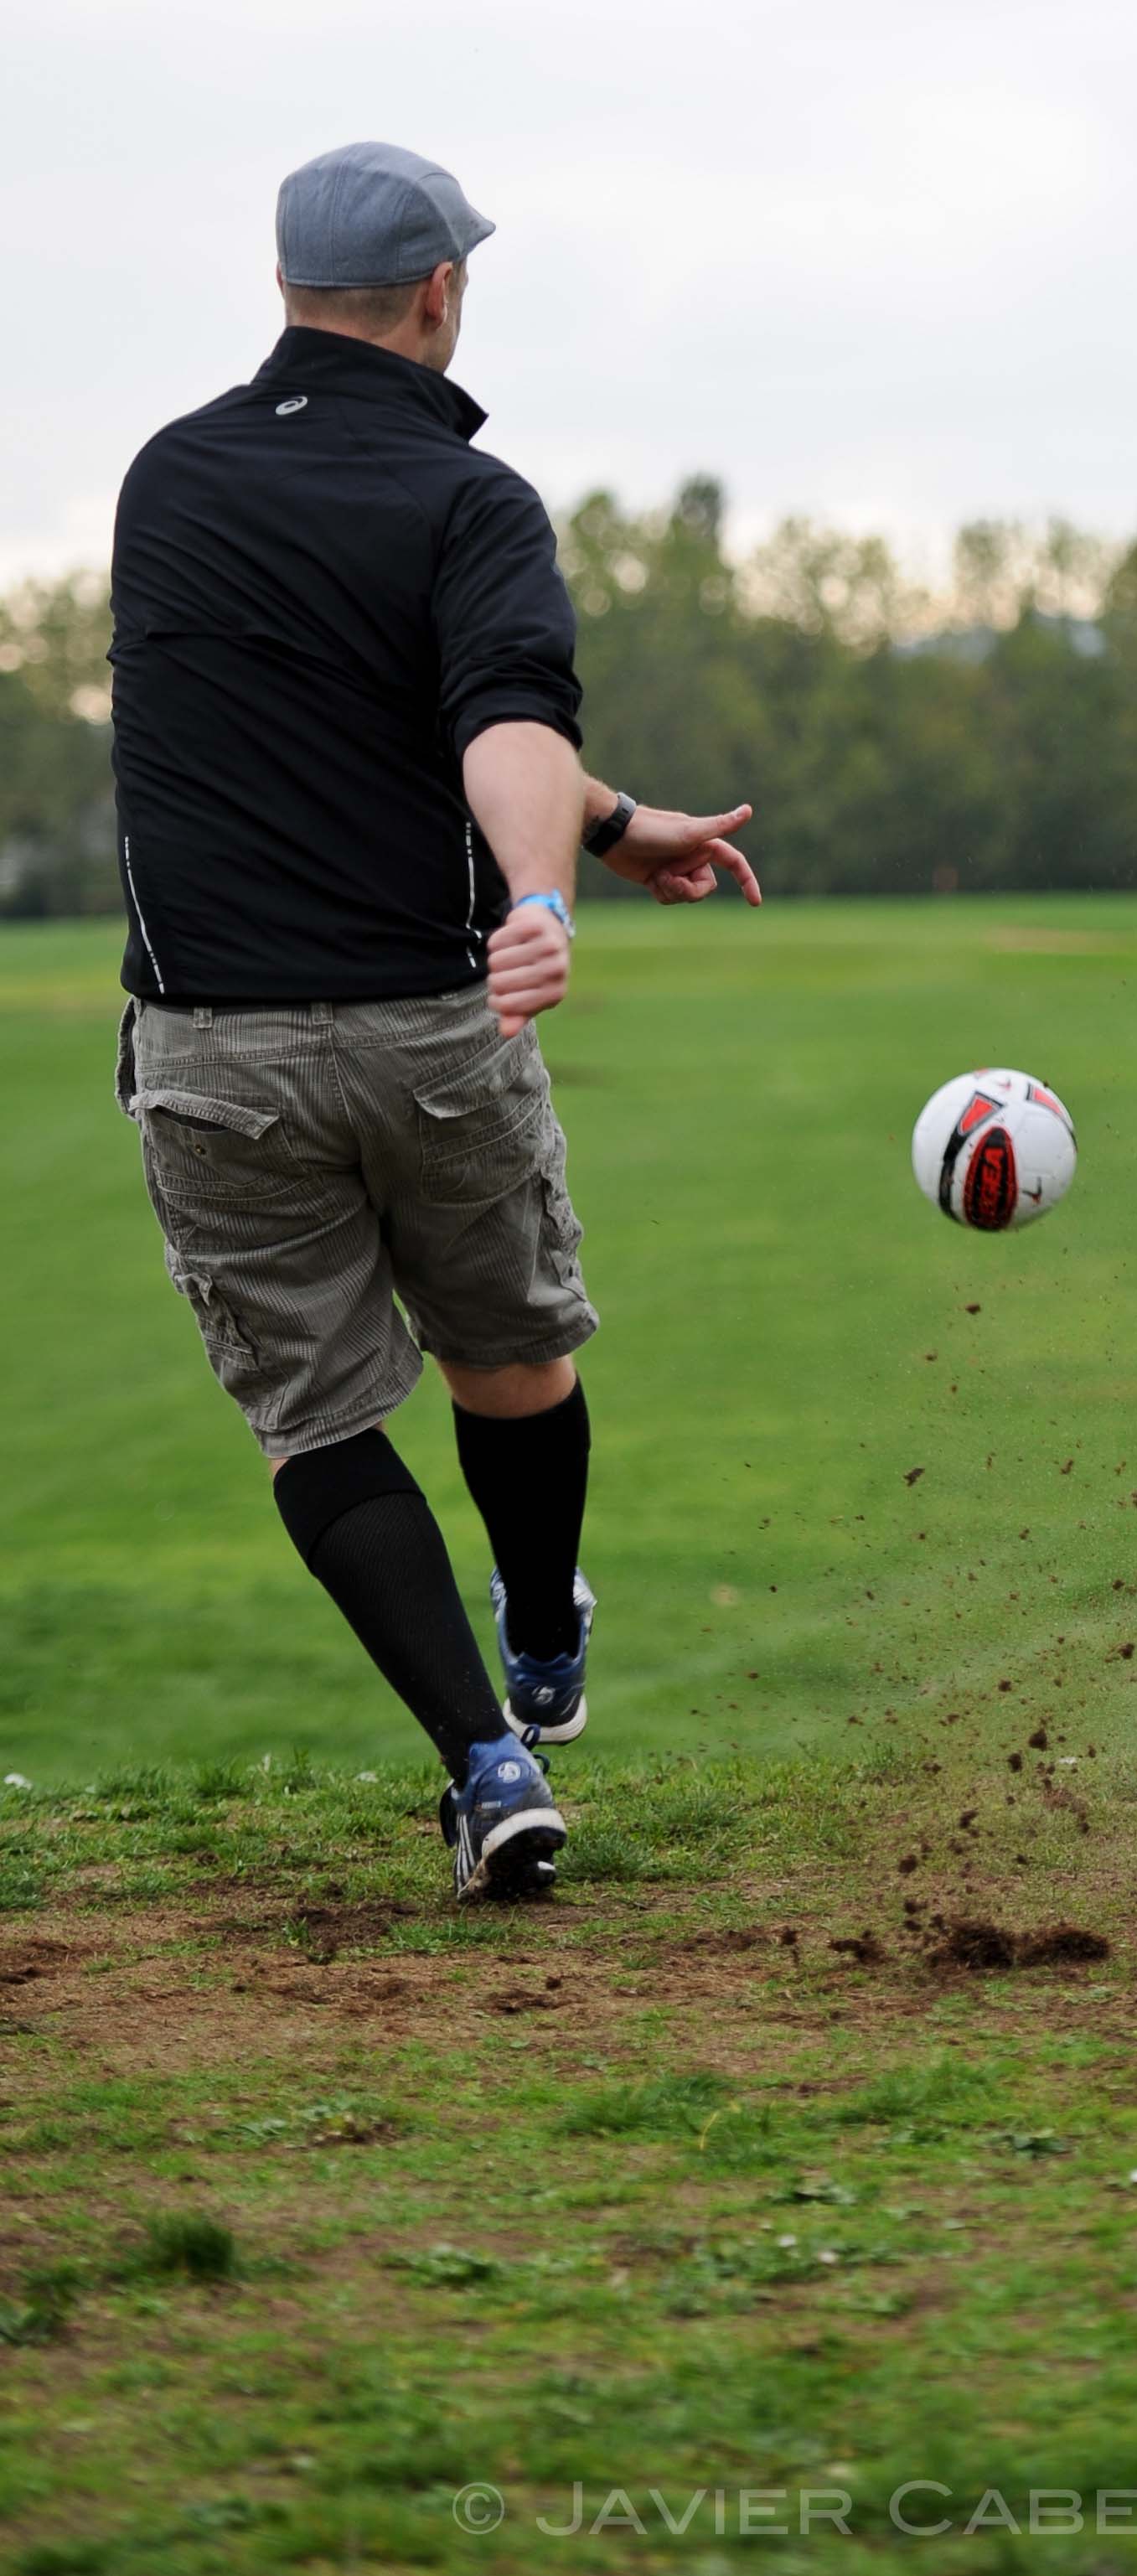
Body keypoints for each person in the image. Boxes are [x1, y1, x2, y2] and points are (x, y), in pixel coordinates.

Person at [108, 140, 759, 1900]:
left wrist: (607, 833)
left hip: (215, 1049)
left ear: (283, 289)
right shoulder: (470, 500)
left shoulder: (166, 483)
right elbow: (495, 715)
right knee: (510, 1356)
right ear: (440, 294)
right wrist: (545, 889)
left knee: (318, 1422)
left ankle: (485, 1764)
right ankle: (541, 1633)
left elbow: (376, 711)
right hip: (432, 1023)